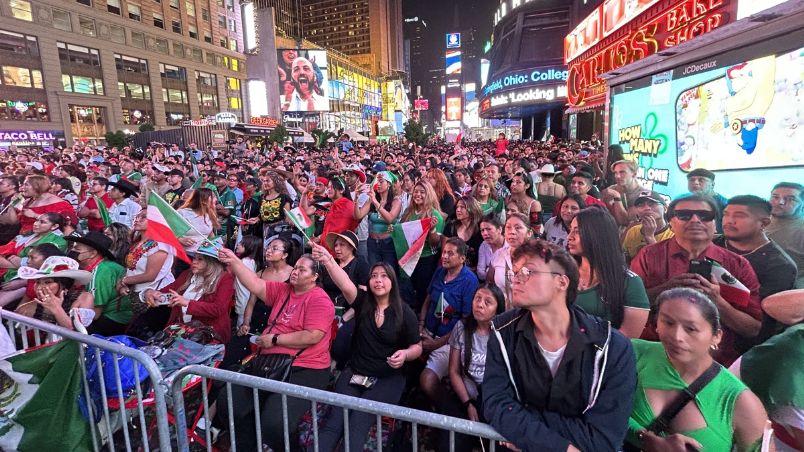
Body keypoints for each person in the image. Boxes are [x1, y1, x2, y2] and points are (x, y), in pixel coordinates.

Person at [482, 239, 637, 451]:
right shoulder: (503, 332)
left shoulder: (612, 347)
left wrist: (525, 424)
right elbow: (496, 404)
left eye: (528, 272)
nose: (515, 279)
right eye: (515, 272)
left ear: (562, 283)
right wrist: (562, 447)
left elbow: (605, 437)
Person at [217, 248, 334, 452]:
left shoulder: (320, 299)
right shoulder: (283, 290)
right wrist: (234, 261)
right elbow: (255, 284)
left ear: (315, 276)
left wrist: (276, 339)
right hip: (267, 363)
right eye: (295, 268)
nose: (295, 272)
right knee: (229, 405)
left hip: (305, 368)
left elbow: (313, 335)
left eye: (302, 269)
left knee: (274, 424)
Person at [626, 288, 768, 452]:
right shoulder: (634, 353)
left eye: (690, 329)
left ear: (717, 336)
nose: (677, 336)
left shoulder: (740, 402)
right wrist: (643, 438)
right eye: (668, 322)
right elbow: (595, 407)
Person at [310, 242, 421, 452]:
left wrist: (405, 354)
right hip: (356, 370)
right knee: (335, 420)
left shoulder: (405, 312)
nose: (378, 280)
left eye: (384, 276)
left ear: (392, 281)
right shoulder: (362, 303)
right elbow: (344, 283)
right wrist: (327, 259)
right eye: (373, 276)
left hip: (388, 377)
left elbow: (417, 346)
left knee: (358, 421)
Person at [630, 194, 762, 366]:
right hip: (655, 355)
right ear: (671, 221)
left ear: (715, 223)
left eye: (704, 216)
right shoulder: (648, 256)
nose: (695, 220)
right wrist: (666, 289)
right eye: (685, 215)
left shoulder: (737, 265)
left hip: (714, 361)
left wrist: (717, 302)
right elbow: (628, 306)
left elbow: (752, 329)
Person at [435, 284, 506, 452]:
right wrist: (468, 404)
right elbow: (454, 371)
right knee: (448, 445)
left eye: (488, 302)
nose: (480, 304)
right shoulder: (461, 327)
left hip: (493, 397)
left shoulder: (504, 332)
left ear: (498, 309)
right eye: (477, 299)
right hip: (464, 394)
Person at [567, 207, 650, 337]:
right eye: (570, 230)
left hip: (604, 354)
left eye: (577, 231)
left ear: (597, 234)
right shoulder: (563, 272)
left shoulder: (630, 282)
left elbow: (628, 337)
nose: (569, 237)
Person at [418, 238, 479, 404]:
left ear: (462, 259)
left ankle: (448, 411)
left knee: (427, 380)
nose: (444, 256)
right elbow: (428, 299)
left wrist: (437, 344)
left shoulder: (470, 281)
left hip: (449, 342)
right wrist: (421, 326)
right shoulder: (439, 272)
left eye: (450, 253)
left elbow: (465, 321)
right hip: (427, 333)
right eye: (444, 252)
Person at [142, 238, 235, 343]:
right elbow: (168, 290)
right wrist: (150, 292)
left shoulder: (225, 279)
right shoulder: (188, 274)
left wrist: (187, 303)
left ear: (211, 262)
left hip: (208, 336)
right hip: (181, 332)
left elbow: (218, 309)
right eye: (194, 258)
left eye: (200, 259)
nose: (194, 262)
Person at [715, 195, 797, 300]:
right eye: (725, 214)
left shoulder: (779, 265)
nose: (729, 221)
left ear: (764, 223)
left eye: (739, 216)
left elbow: (764, 312)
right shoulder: (712, 242)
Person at [119, 210, 176, 338]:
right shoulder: (138, 241)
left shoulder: (161, 245)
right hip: (137, 293)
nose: (137, 219)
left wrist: (125, 281)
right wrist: (125, 285)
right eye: (137, 216)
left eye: (143, 217)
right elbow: (131, 268)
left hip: (155, 296)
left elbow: (151, 275)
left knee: (145, 335)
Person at [66, 231, 128, 336]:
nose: (72, 251)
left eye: (77, 249)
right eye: (73, 247)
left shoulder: (101, 271)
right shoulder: (100, 266)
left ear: (93, 253)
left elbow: (94, 314)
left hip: (114, 319)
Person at [401, 180, 445, 311]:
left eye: (422, 192)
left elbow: (435, 243)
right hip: (409, 258)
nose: (418, 195)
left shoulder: (435, 215)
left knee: (422, 291)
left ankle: (421, 318)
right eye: (416, 192)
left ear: (429, 194)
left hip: (426, 259)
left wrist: (431, 230)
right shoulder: (409, 212)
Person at [16, 256, 94, 330]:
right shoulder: (26, 309)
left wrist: (56, 309)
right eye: (37, 282)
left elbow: (76, 332)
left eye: (48, 282)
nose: (39, 288)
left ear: (64, 284)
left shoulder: (84, 298)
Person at [0, 212, 68, 283]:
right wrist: (11, 259)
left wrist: (21, 263)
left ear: (54, 226)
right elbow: (5, 250)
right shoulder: (28, 235)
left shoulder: (58, 240)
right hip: (7, 271)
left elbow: (44, 264)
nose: (35, 224)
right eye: (37, 220)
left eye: (42, 222)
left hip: (28, 280)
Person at [354, 172, 402, 271]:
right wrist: (356, 198)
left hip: (388, 243)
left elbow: (390, 218)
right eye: (376, 182)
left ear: (388, 184)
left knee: (389, 273)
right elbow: (358, 215)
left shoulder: (396, 200)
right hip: (372, 243)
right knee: (374, 271)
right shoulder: (372, 200)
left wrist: (375, 201)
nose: (378, 184)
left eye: (381, 182)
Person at [487, 213, 533, 307]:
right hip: (502, 312)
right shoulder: (499, 254)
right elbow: (489, 282)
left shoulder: (535, 259)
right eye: (508, 227)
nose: (512, 231)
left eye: (518, 228)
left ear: (529, 233)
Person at [8, 175, 77, 235]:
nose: (22, 188)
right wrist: (12, 204)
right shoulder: (28, 201)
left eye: (26, 185)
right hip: (23, 237)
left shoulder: (58, 203)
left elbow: (66, 225)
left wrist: (35, 215)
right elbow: (13, 222)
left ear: (37, 186)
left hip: (41, 240)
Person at [766, 182, 804, 289]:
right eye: (775, 197)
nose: (780, 202)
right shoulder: (759, 220)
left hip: (792, 288)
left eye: (791, 199)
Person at [622, 191, 674, 262]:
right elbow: (625, 259)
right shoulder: (633, 231)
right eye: (641, 205)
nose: (646, 208)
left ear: (665, 208)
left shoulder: (673, 235)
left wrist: (650, 237)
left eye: (652, 204)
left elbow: (666, 266)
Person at [442, 196, 483, 272]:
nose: (458, 210)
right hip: (452, 270)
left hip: (475, 272)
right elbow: (444, 253)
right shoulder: (450, 227)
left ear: (472, 209)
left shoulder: (481, 230)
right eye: (457, 207)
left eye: (462, 207)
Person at [176, 188, 220, 257]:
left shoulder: (210, 214)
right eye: (213, 196)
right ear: (204, 200)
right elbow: (167, 231)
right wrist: (180, 239)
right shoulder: (183, 213)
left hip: (203, 255)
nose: (216, 199)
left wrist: (218, 247)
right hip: (184, 254)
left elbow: (210, 235)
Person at [601, 160, 645, 227]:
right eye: (615, 173)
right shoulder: (611, 189)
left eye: (622, 172)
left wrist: (617, 198)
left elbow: (625, 221)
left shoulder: (643, 195)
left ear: (634, 174)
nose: (617, 176)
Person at [318, 176, 358, 248]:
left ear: (342, 190)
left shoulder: (348, 206)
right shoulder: (332, 205)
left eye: (332, 187)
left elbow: (341, 230)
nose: (329, 189)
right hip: (326, 249)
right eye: (328, 187)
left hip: (338, 251)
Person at [686, 168, 728, 232]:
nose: (695, 182)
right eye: (692, 180)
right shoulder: (683, 204)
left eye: (701, 180)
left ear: (712, 184)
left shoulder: (725, 205)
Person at [477, 214, 505, 281]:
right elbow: (480, 273)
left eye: (489, 229)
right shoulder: (484, 245)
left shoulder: (509, 246)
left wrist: (488, 269)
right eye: (482, 230)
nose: (485, 233)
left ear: (499, 229)